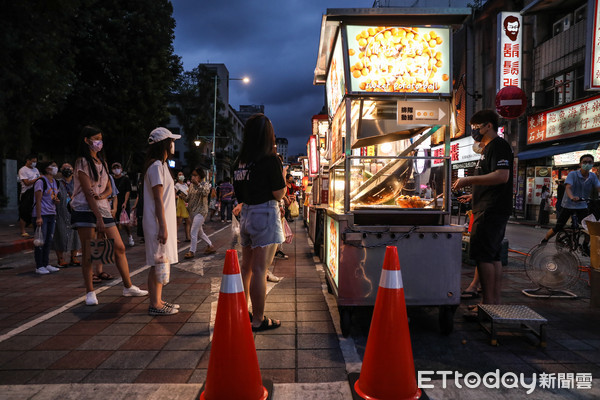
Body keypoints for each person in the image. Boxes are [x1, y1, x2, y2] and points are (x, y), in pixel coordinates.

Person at [70, 126, 148, 306]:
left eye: (100, 138)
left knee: (119, 247)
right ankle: (90, 291)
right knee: (89, 251)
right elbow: (88, 192)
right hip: (85, 209)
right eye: (96, 138)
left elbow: (109, 188)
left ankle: (128, 286)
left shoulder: (103, 162)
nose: (99, 142)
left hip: (103, 209)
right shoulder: (82, 162)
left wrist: (104, 197)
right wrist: (97, 217)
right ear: (86, 140)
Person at [453, 109, 513, 306]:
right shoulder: (488, 148)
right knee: (492, 256)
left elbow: (501, 176)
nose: (474, 132)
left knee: (484, 257)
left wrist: (467, 180)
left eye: (476, 128)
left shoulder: (499, 146)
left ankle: (488, 304)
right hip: (487, 206)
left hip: (491, 210)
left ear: (489, 125)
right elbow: (491, 180)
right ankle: (492, 305)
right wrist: (475, 193)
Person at [232, 113, 286, 332]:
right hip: (264, 214)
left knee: (247, 267)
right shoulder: (270, 158)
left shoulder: (239, 161)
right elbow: (279, 193)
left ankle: (244, 311)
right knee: (260, 269)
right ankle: (258, 319)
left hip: (246, 215)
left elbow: (238, 192)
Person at [143, 127, 181, 316]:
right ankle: (154, 304)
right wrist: (163, 226)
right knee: (156, 263)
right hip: (158, 222)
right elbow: (158, 198)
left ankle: (158, 300)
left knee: (161, 261)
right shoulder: (156, 166)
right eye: (171, 141)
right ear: (164, 144)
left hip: (162, 220)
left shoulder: (162, 166)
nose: (173, 144)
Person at [541, 154, 600, 244]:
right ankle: (545, 240)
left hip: (582, 205)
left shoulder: (592, 176)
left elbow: (598, 187)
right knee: (559, 226)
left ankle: (585, 245)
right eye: (584, 162)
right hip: (568, 204)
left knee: (588, 227)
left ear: (593, 163)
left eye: (589, 162)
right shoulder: (573, 174)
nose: (587, 164)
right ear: (580, 164)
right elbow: (568, 187)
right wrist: (572, 197)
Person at [33, 161, 61, 275]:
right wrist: (38, 217)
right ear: (47, 168)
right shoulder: (41, 181)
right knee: (40, 241)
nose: (55, 168)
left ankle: (46, 263)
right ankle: (39, 265)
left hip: (51, 213)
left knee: (49, 241)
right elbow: (38, 200)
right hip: (42, 214)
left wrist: (56, 201)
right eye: (53, 166)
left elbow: (53, 197)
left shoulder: (55, 182)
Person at [52, 163, 81, 267]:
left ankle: (74, 257)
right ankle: (60, 259)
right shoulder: (57, 183)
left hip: (75, 211)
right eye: (64, 168)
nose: (67, 170)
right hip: (61, 212)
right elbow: (52, 194)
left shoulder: (77, 182)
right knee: (60, 234)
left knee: (75, 235)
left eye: (69, 168)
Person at [184, 167, 216, 259]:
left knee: (193, 231)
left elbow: (205, 193)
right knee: (200, 232)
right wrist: (181, 195)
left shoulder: (205, 184)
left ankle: (192, 251)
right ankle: (210, 245)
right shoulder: (191, 186)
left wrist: (197, 184)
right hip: (192, 212)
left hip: (201, 211)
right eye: (192, 175)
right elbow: (188, 198)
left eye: (195, 175)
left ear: (200, 176)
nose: (193, 177)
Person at [111, 162, 135, 247]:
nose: (116, 169)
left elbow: (128, 191)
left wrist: (125, 202)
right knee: (115, 223)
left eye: (118, 167)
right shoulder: (111, 179)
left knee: (125, 223)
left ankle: (130, 236)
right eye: (114, 167)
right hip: (114, 203)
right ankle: (117, 240)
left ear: (121, 169)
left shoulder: (125, 179)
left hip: (123, 203)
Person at [18, 154, 40, 237]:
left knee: (34, 210)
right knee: (24, 211)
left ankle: (32, 225)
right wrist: (37, 179)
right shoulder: (23, 170)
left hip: (35, 192)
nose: (34, 163)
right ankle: (23, 230)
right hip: (26, 192)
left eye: (35, 161)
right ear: (28, 160)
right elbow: (26, 183)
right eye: (33, 161)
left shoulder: (36, 170)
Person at [175, 171, 191, 241]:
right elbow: (174, 195)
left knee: (188, 221)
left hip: (187, 204)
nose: (181, 176)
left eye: (182, 174)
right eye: (179, 175)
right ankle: (175, 238)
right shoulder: (176, 185)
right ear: (177, 177)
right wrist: (179, 196)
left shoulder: (185, 185)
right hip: (180, 204)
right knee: (179, 221)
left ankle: (188, 237)